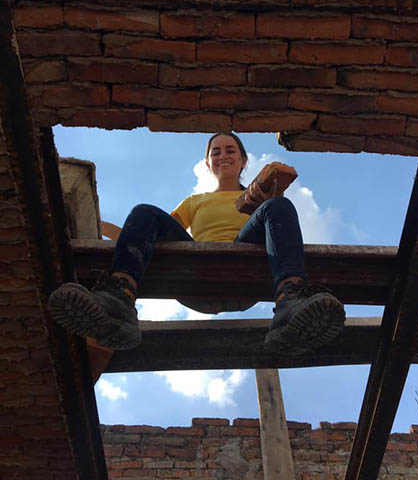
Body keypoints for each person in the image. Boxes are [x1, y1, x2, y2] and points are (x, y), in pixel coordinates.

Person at [48, 133, 345, 354]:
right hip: (193, 282)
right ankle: (118, 301)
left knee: (279, 207)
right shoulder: (195, 201)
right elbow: (145, 233)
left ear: (243, 160)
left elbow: (280, 235)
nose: (223, 156)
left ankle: (290, 302)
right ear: (208, 162)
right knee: (144, 212)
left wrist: (270, 199)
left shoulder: (260, 199)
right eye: (216, 152)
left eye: (230, 150)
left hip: (246, 278)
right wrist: (98, 224)